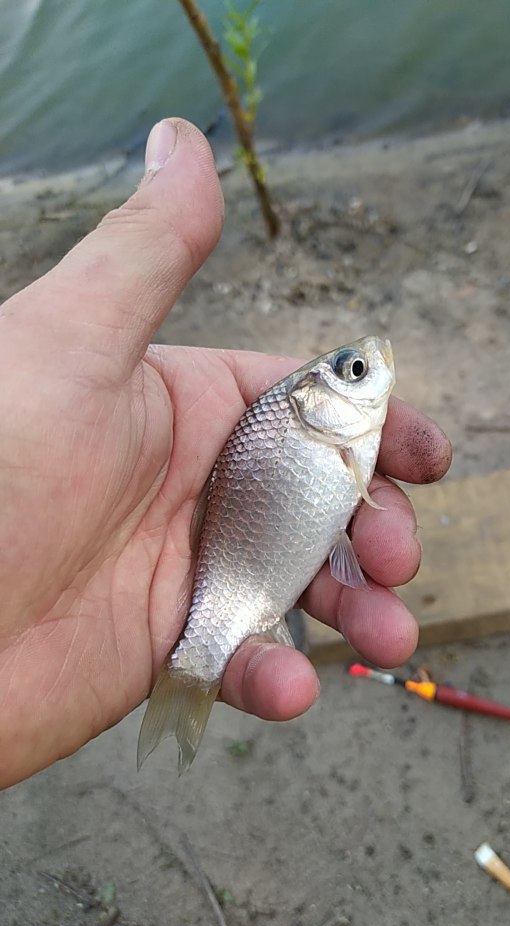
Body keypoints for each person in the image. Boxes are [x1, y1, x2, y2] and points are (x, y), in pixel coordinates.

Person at [0, 119, 452, 789]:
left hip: (253, 565)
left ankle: (193, 676)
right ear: (316, 402)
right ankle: (194, 671)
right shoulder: (304, 425)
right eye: (353, 371)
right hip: (244, 574)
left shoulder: (318, 432)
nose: (370, 367)